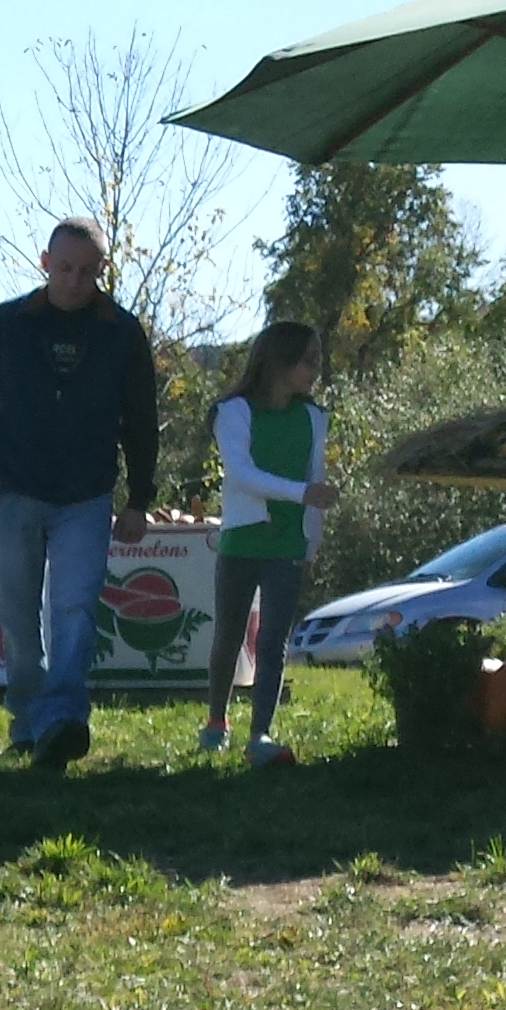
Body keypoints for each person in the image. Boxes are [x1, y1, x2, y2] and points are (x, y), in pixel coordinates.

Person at [0, 221, 159, 767]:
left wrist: (139, 498)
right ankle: (27, 718)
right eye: (65, 268)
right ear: (45, 262)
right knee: (16, 612)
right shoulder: (10, 322)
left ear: (102, 271)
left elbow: (141, 418)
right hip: (11, 486)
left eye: (87, 271)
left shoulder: (122, 331)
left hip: (86, 493)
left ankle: (63, 719)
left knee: (74, 607)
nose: (75, 280)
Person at [199, 320, 326, 768]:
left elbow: (317, 480)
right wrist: (301, 494)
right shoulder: (233, 411)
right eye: (308, 360)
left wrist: (311, 542)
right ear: (281, 360)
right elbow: (241, 474)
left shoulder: (313, 417)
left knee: (273, 641)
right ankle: (217, 719)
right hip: (241, 541)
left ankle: (261, 734)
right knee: (229, 635)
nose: (315, 369)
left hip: (288, 544)